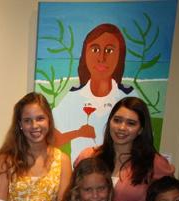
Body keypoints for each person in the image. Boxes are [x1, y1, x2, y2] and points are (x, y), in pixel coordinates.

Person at [76, 97, 175, 201]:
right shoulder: (88, 156)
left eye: (131, 123)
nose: (122, 127)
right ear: (109, 122)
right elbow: (71, 199)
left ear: (141, 129)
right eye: (117, 120)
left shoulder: (154, 162)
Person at [52, 24, 133, 162]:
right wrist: (79, 133)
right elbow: (53, 139)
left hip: (118, 173)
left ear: (120, 56)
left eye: (109, 50)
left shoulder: (128, 97)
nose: (101, 58)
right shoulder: (73, 96)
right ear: (85, 54)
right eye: (95, 49)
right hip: (81, 173)